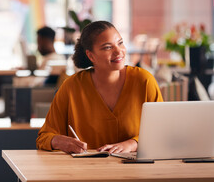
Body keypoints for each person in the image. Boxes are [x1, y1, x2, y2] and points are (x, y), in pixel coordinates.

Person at [36, 21, 163, 154]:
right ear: (91, 55)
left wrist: (132, 144)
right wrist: (59, 141)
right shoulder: (71, 87)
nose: (119, 51)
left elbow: (161, 132)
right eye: (108, 47)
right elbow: (43, 138)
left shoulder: (144, 81)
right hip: (85, 171)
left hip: (137, 171)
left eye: (120, 43)